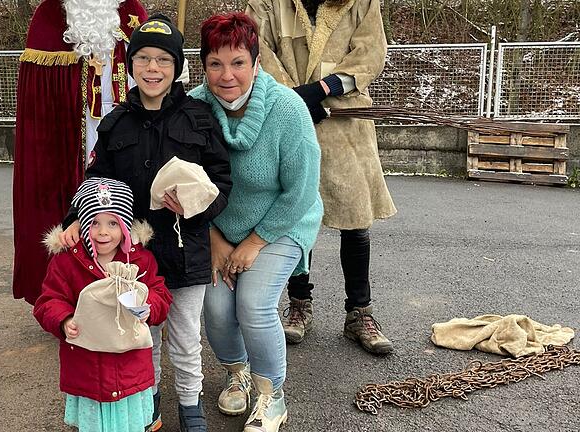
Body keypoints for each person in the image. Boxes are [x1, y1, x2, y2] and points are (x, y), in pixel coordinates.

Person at [58, 14, 232, 432]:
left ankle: (191, 408)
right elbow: (94, 180)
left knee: (186, 338)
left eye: (163, 61)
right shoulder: (116, 121)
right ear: (131, 64)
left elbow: (222, 182)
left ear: (177, 68)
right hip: (131, 257)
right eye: (144, 59)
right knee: (142, 336)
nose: (153, 69)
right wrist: (70, 220)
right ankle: (147, 404)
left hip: (186, 250)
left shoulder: (199, 118)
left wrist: (195, 207)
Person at [189, 12, 323, 432]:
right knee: (215, 304)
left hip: (283, 220)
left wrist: (255, 240)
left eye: (238, 62)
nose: (226, 75)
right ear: (204, 66)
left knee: (252, 302)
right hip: (218, 227)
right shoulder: (193, 107)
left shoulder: (288, 109)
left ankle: (272, 395)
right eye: (215, 63)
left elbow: (301, 190)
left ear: (256, 62)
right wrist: (213, 237)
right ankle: (237, 372)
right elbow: (184, 182)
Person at [246, 0, 397, 353]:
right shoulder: (266, 3)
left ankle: (359, 312)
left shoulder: (362, 2)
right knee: (296, 214)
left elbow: (370, 52)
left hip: (345, 121)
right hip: (287, 117)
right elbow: (257, 50)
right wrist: (292, 98)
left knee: (356, 219)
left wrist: (324, 88)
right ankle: (299, 304)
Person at [12, 0, 147, 305]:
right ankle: (64, 298)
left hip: (126, 140)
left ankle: (130, 289)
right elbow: (38, 104)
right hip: (66, 145)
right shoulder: (48, 16)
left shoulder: (132, 12)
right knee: (68, 216)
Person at [34, 177, 172, 432]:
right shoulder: (66, 263)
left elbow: (161, 293)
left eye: (113, 223)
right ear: (82, 224)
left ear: (125, 226)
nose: (103, 231)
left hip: (131, 369)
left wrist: (149, 306)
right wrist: (64, 320)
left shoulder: (141, 260)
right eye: (94, 222)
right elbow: (48, 301)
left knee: (131, 425)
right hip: (88, 370)